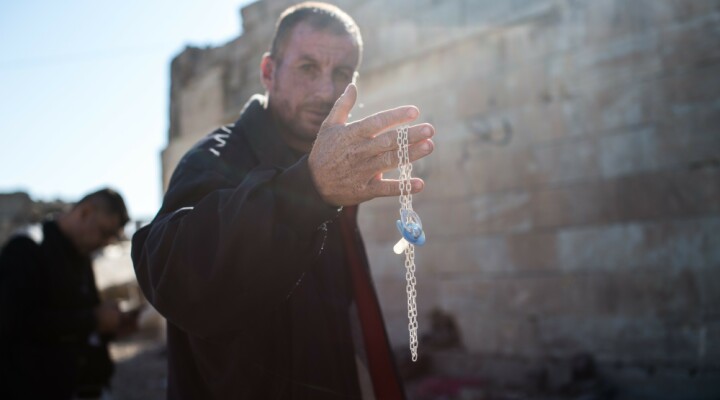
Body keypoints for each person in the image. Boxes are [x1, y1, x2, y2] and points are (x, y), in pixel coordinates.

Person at [131, 2, 435, 399]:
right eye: (307, 68)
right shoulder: (218, 157)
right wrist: (307, 190)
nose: (326, 91)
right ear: (268, 72)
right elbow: (170, 271)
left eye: (341, 74)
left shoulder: (324, 164)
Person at [0, 188, 138, 399]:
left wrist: (111, 326)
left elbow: (78, 319)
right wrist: (94, 320)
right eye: (104, 232)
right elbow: (19, 322)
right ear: (85, 212)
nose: (105, 242)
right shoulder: (27, 247)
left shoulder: (80, 254)